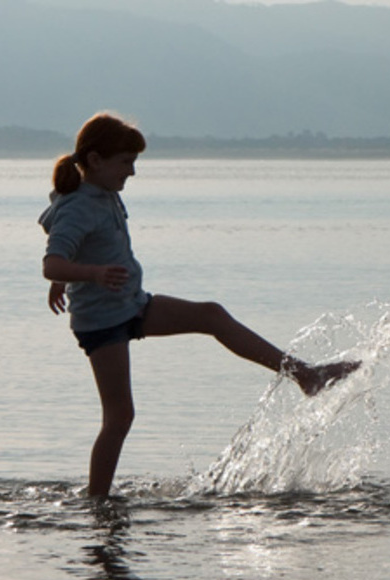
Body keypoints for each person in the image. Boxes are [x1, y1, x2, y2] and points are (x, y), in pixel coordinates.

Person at [39, 112, 360, 497]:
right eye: (126, 162)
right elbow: (51, 260)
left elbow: (64, 246)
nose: (132, 173)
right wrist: (84, 274)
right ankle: (97, 500)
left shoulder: (102, 194)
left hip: (131, 305)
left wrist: (67, 278)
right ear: (95, 161)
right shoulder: (78, 205)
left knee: (212, 314)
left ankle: (306, 376)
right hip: (102, 322)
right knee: (120, 415)